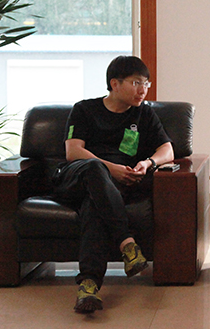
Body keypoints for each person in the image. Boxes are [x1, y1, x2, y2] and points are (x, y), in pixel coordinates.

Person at [52, 55, 174, 313]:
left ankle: (88, 286)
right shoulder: (84, 109)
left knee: (95, 207)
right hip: (76, 177)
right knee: (95, 168)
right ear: (115, 84)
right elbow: (73, 152)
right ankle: (126, 242)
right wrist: (112, 169)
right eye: (136, 83)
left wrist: (148, 163)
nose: (143, 90)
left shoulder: (143, 113)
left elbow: (168, 150)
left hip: (110, 188)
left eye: (146, 83)